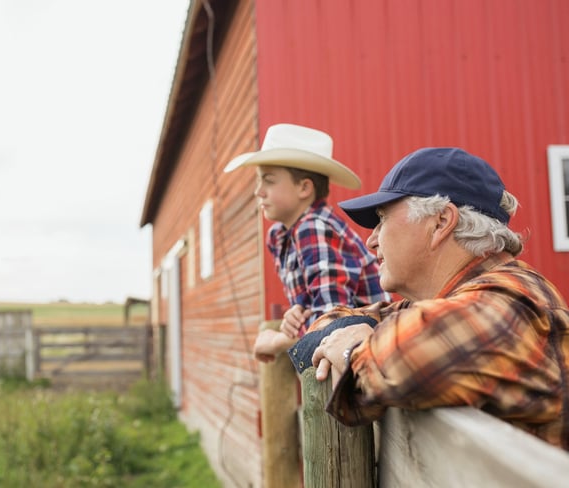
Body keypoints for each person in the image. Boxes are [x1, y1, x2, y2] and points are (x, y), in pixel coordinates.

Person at [307, 146, 569, 450]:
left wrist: (350, 348)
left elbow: (405, 361)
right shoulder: (442, 302)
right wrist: (357, 339)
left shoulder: (514, 299)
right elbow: (322, 330)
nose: (371, 240)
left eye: (382, 219)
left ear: (441, 222)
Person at [223, 123, 390, 363]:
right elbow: (312, 305)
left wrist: (278, 341)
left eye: (268, 181)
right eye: (259, 181)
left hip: (361, 354)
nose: (259, 191)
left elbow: (331, 323)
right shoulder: (281, 236)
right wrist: (297, 312)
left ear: (304, 188)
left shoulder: (314, 228)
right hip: (337, 352)